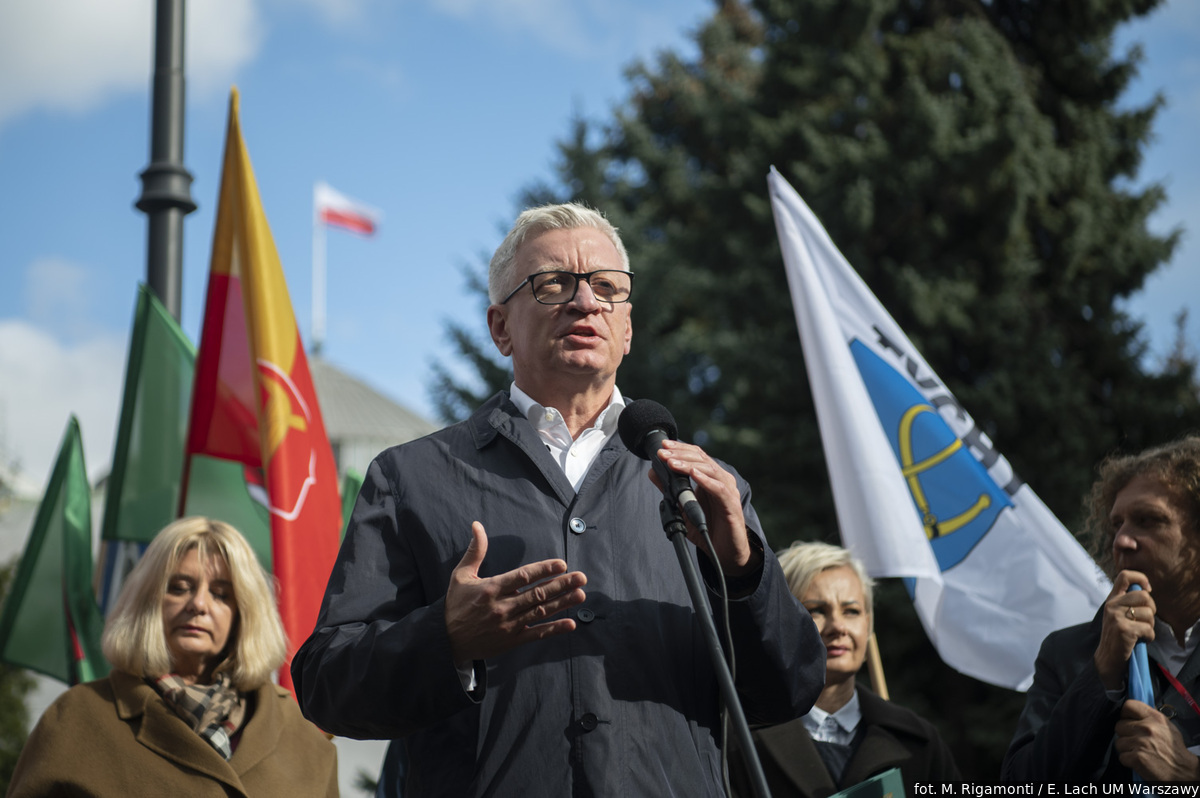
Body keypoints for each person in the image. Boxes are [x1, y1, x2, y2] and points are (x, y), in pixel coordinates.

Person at [291, 202, 825, 796]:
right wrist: (447, 638)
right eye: (553, 284)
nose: (585, 301)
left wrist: (743, 574)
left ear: (627, 328)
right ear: (500, 327)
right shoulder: (409, 478)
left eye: (607, 287)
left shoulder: (704, 486)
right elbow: (326, 687)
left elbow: (787, 691)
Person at [7, 517, 339, 797]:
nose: (198, 604)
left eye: (221, 594)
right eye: (179, 587)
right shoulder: (77, 717)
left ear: (244, 614)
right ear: (148, 603)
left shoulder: (302, 737)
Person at [1003, 435, 1200, 783]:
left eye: (1148, 520)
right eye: (1116, 524)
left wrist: (1191, 775)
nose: (1121, 540)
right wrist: (1101, 675)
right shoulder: (1066, 653)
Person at [729, 541, 960, 797]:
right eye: (816, 610)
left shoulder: (918, 741)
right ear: (779, 621)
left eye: (851, 611)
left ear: (868, 624)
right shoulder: (735, 742)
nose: (838, 627)